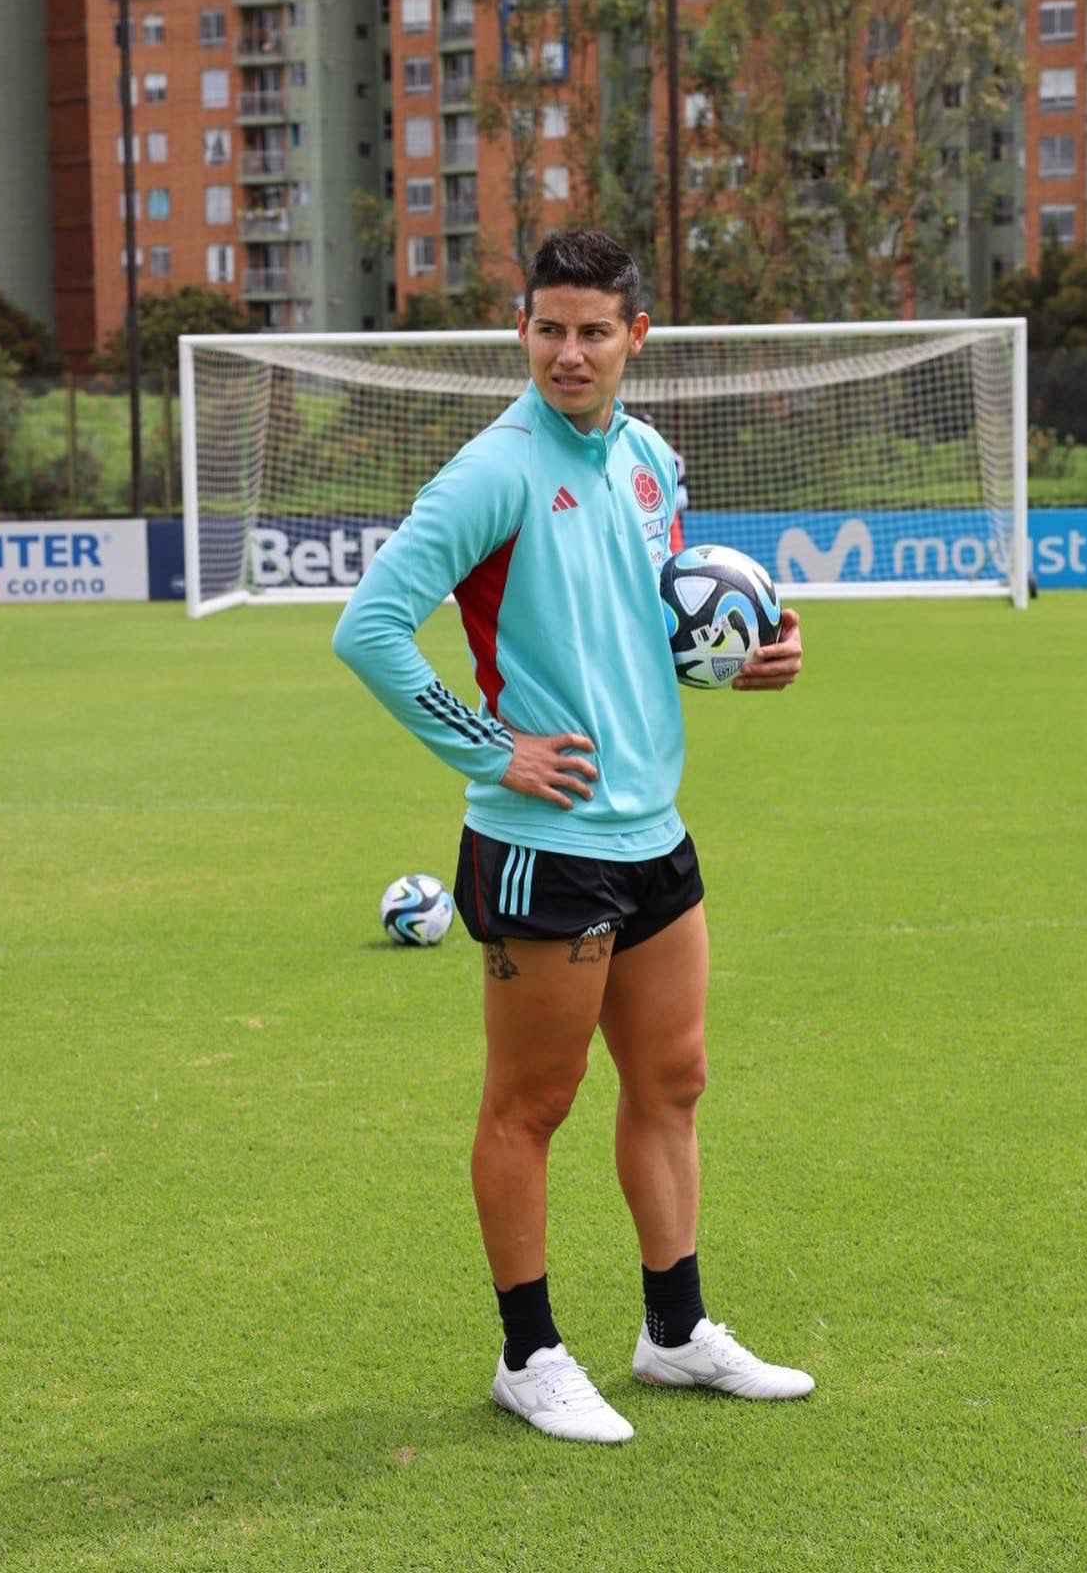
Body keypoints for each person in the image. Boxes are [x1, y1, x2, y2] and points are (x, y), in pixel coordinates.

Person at [333, 230, 811, 1445]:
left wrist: (739, 663)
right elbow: (372, 627)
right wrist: (492, 750)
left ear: (634, 337)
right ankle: (530, 1354)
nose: (569, 352)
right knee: (531, 1104)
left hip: (654, 826)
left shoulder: (652, 459)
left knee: (673, 1082)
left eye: (594, 330)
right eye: (549, 328)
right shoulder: (492, 470)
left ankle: (675, 1335)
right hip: (541, 841)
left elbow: (640, 624)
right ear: (525, 330)